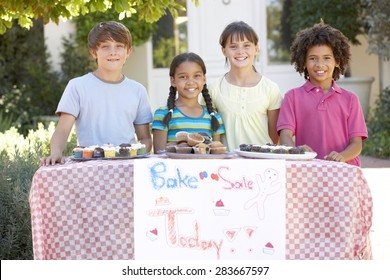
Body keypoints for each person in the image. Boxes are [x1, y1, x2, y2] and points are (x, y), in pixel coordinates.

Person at [40, 21, 153, 166]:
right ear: (94, 52)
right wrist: (56, 152)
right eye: (105, 47)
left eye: (119, 46)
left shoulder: (138, 90)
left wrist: (137, 156)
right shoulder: (77, 86)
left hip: (127, 166)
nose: (113, 52)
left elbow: (145, 138)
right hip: (90, 166)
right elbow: (62, 130)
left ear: (128, 52)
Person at [277, 22, 368, 166]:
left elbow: (356, 144)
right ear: (304, 62)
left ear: (337, 61)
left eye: (327, 58)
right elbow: (285, 135)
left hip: (344, 172)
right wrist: (296, 149)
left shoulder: (350, 99)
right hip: (307, 171)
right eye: (313, 58)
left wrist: (341, 156)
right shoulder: (292, 97)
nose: (320, 64)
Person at [208, 21, 283, 152]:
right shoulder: (213, 89)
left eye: (246, 45)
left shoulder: (271, 88)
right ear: (224, 51)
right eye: (233, 46)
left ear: (256, 48)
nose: (240, 52)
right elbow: (211, 134)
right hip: (227, 165)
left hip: (262, 164)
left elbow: (275, 137)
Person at [152, 52, 225, 153]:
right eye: (183, 77)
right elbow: (159, 154)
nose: (190, 82)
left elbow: (216, 153)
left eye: (196, 76)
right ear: (173, 81)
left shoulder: (214, 117)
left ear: (204, 79)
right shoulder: (163, 114)